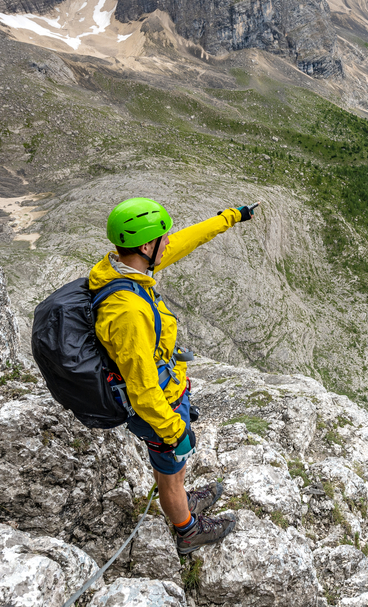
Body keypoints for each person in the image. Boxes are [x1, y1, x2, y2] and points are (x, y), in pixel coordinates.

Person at [89, 197, 259, 555]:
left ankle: (182, 496)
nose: (168, 242)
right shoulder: (127, 312)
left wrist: (231, 217)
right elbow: (141, 386)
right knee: (168, 468)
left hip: (168, 397)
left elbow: (186, 239)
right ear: (146, 245)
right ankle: (187, 530)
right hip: (157, 410)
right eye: (161, 238)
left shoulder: (126, 266)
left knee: (174, 467)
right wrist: (173, 430)